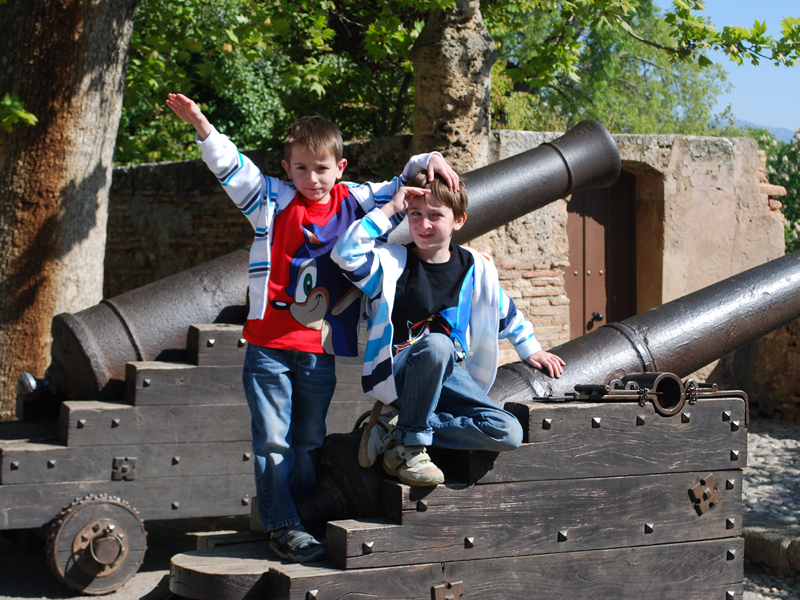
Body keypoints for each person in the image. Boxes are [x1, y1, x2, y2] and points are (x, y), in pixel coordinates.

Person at [166, 93, 458, 562]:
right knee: (273, 440)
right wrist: (201, 123)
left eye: (321, 169)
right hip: (268, 346)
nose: (312, 179)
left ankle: (302, 515)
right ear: (287, 168)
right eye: (301, 169)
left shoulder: (357, 201)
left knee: (307, 441)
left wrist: (432, 160)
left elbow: (404, 182)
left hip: (318, 350)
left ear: (339, 167)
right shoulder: (271, 201)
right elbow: (232, 169)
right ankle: (283, 525)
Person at [332, 171, 566, 487]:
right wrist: (390, 210)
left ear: (458, 220)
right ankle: (408, 449)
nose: (424, 224)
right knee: (438, 344)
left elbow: (504, 311)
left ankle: (395, 428)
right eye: (415, 214)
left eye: (435, 216)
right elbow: (345, 253)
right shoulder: (391, 263)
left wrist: (530, 348)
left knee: (508, 432)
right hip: (401, 370)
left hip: (450, 376)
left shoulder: (476, 268)